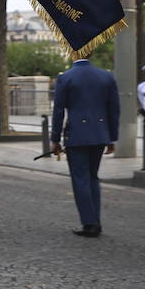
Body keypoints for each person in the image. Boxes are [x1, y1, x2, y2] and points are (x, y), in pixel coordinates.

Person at [51, 57, 119, 237]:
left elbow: (58, 110)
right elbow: (114, 109)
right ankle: (96, 220)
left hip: (77, 134)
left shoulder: (65, 78)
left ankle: (89, 223)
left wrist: (55, 138)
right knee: (92, 177)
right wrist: (112, 138)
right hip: (99, 134)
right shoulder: (106, 77)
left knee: (80, 178)